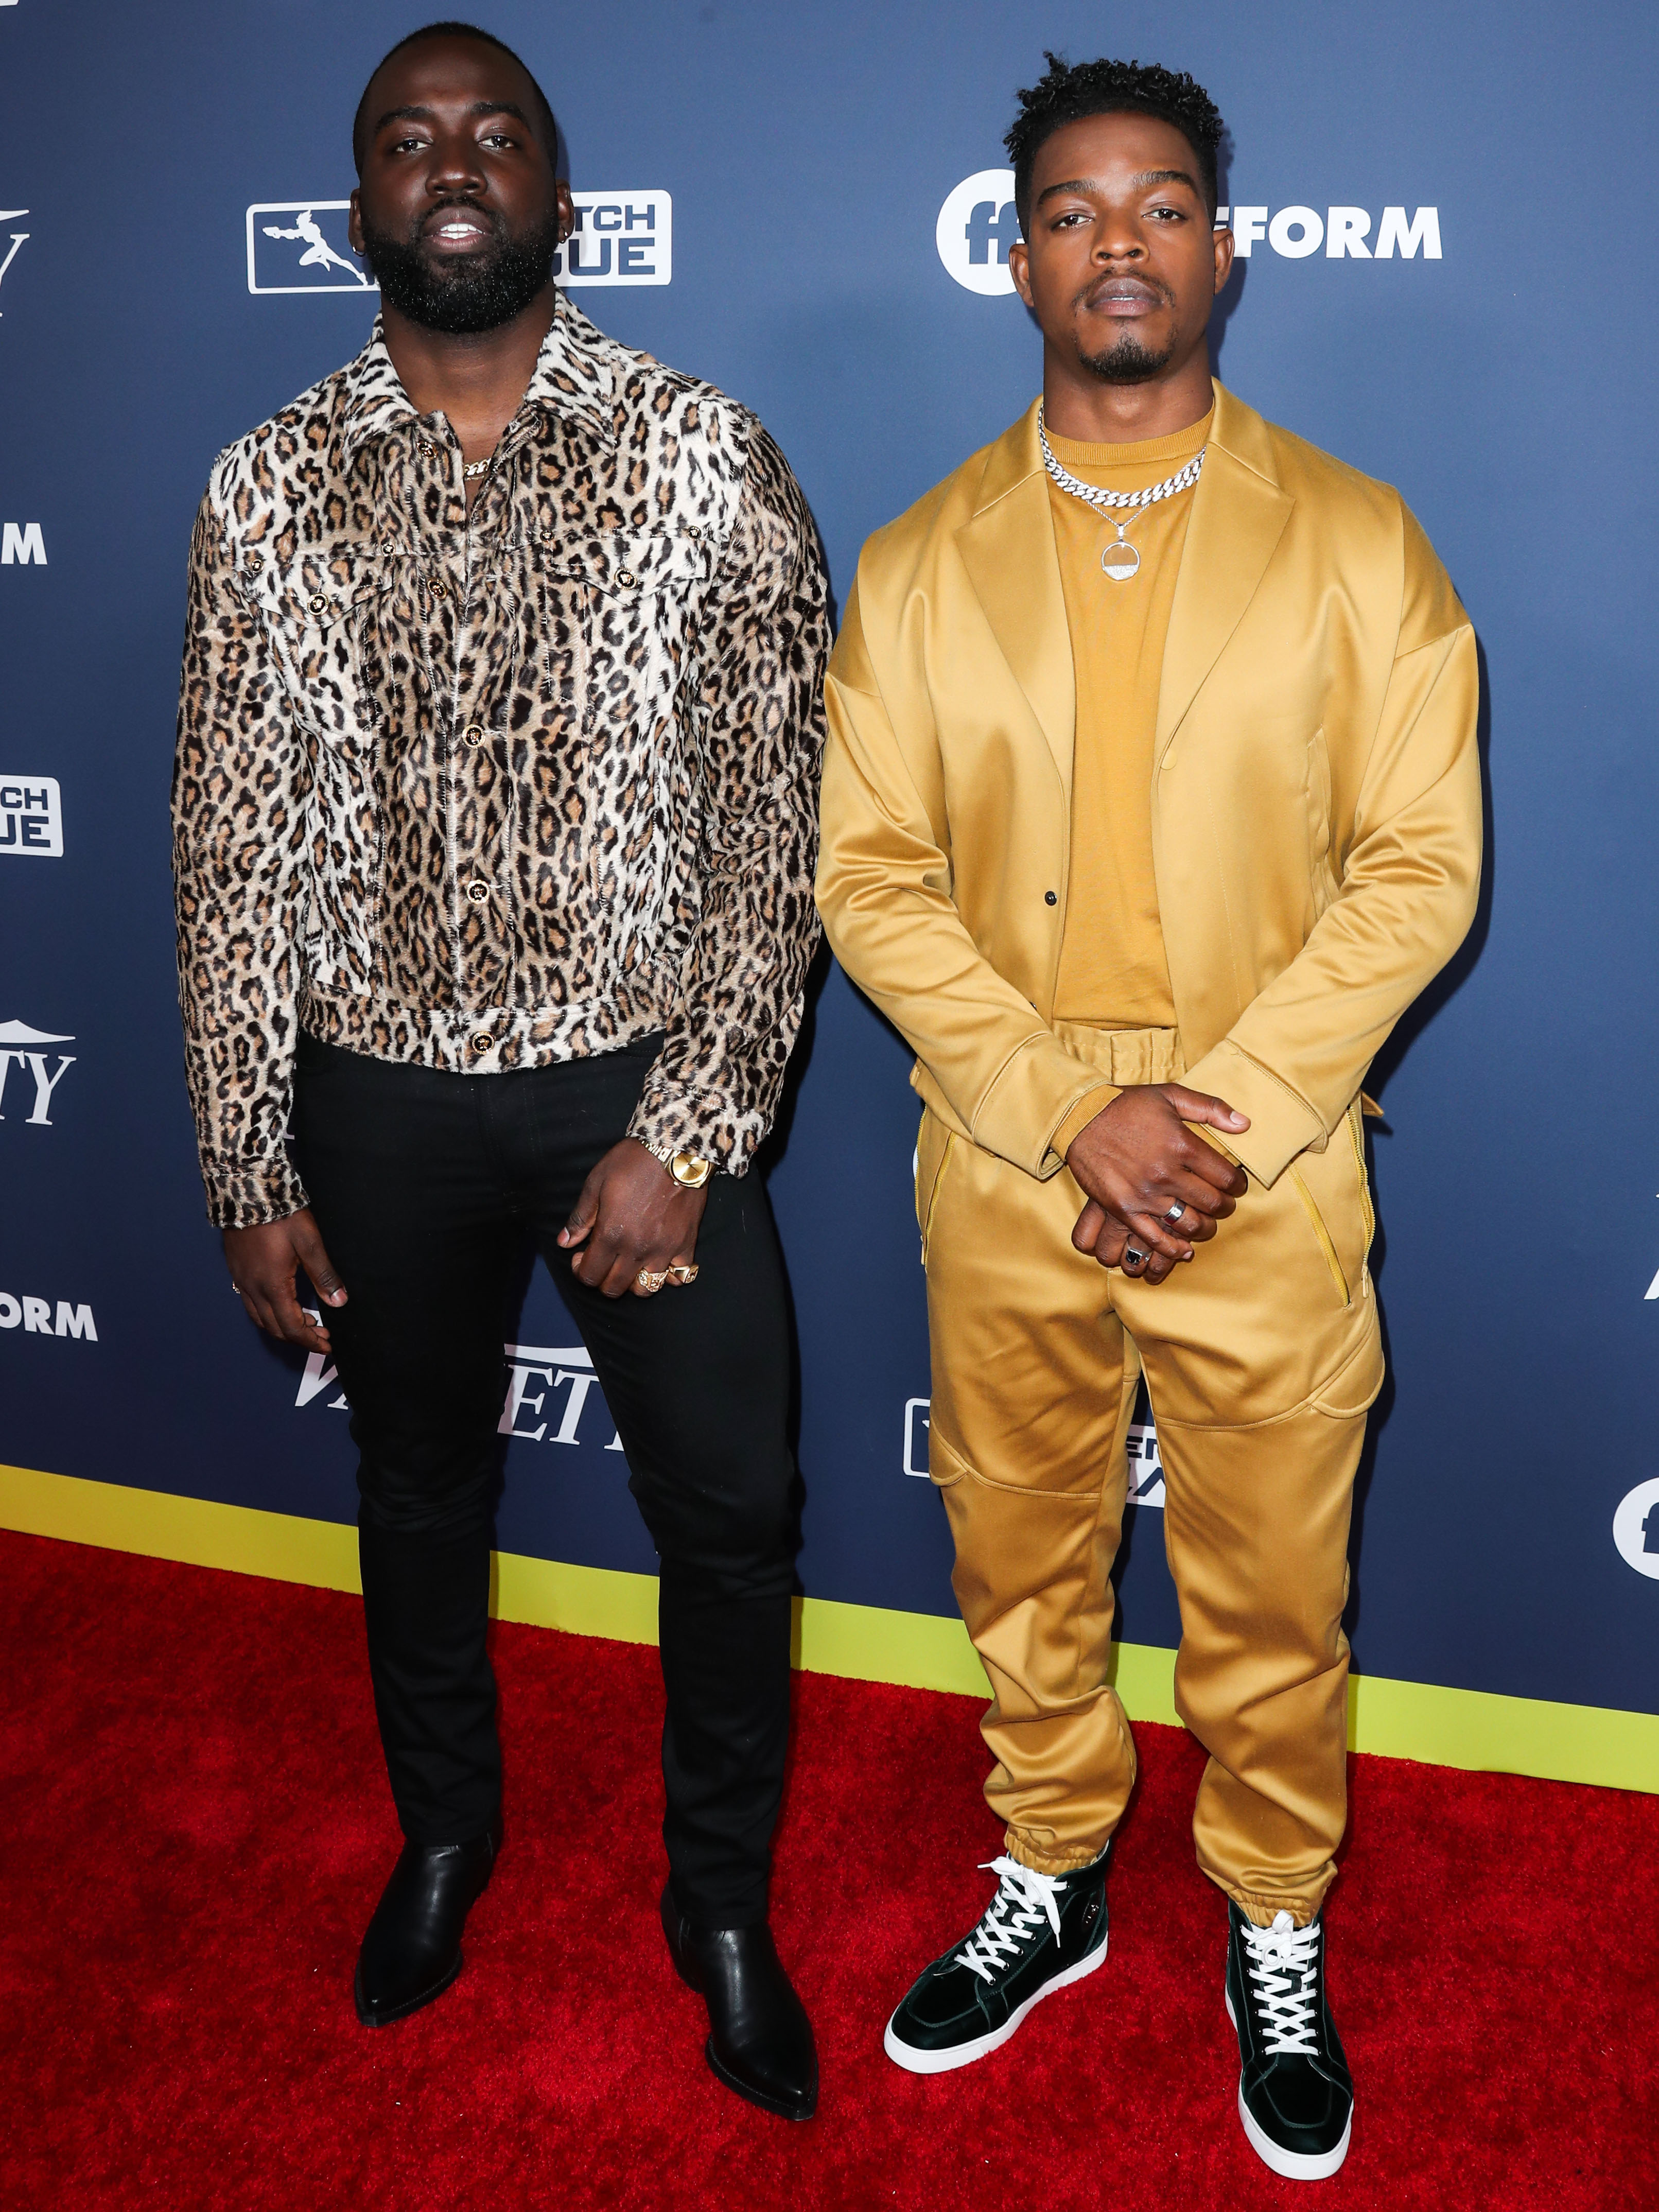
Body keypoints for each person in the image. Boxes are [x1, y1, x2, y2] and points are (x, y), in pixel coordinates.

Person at [817, 53, 1479, 2181]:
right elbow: (866, 875)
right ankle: (1053, 1873)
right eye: (1074, 208)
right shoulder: (918, 561)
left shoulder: (1360, 542)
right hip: (1010, 1167)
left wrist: (1213, 1106)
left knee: (1271, 1597)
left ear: (1223, 246)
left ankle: (1270, 1914)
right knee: (1015, 1560)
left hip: (1264, 1174)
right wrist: (1063, 1113)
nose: (1117, 240)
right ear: (1016, 256)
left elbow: (1417, 863)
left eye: (1160, 202)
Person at [172, 20, 827, 2122]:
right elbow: (227, 843)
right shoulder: (269, 483)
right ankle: (444, 1835)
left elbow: (776, 828)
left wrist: (691, 1124)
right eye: (403, 139)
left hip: (641, 1087)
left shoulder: (700, 454)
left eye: (491, 134)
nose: (447, 163)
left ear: (555, 184)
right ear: (357, 200)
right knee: (417, 1489)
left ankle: (717, 1903)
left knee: (728, 1515)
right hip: (374, 1105)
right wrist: (244, 1156)